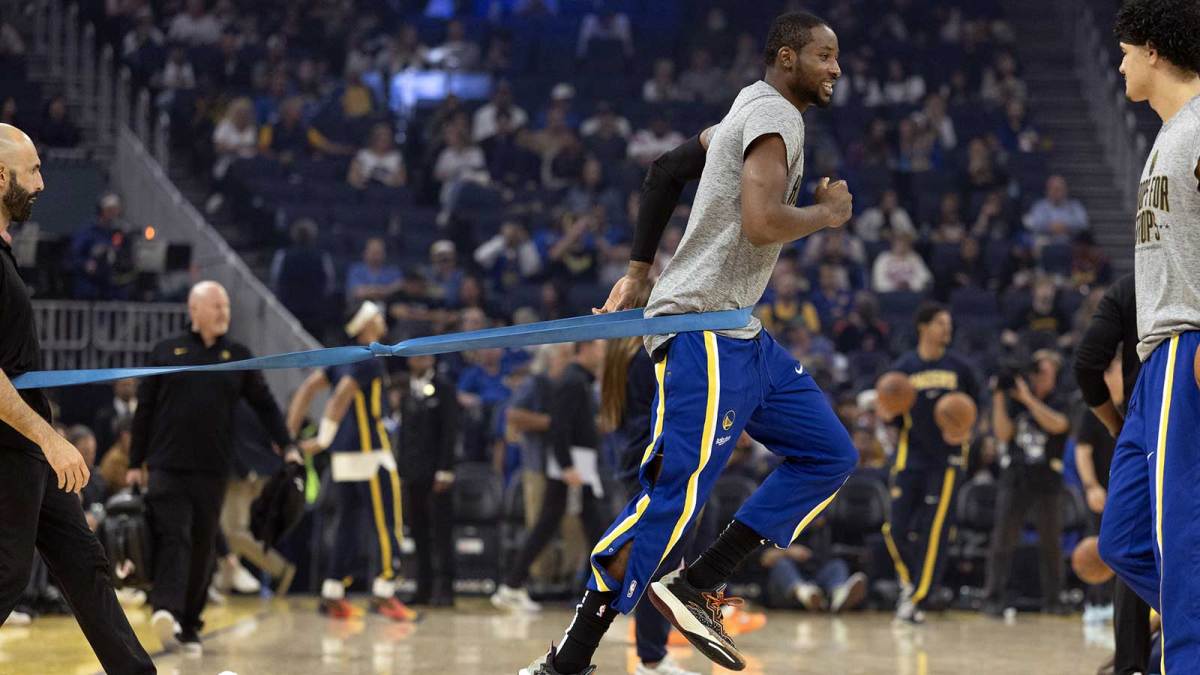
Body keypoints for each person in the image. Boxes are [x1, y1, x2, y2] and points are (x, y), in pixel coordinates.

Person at [519, 13, 856, 674]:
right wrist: (827, 214)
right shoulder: (777, 119)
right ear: (787, 58)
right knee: (668, 502)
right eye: (825, 56)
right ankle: (565, 663)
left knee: (829, 453)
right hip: (702, 329)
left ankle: (699, 583)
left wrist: (639, 271)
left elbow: (665, 170)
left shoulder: (742, 110)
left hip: (740, 331)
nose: (836, 68)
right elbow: (762, 223)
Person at [0, 124, 155, 673]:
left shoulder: (5, 251)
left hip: (30, 449)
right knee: (7, 577)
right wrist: (51, 439)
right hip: (10, 449)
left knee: (86, 565)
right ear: (1, 177)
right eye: (33, 170)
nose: (42, 182)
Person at [1099, 4, 1200, 668]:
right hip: (1154, 359)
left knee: (1179, 539)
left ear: (1155, 52)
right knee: (1125, 538)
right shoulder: (1170, 133)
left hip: (1186, 342)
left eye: (1127, 51)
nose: (1120, 63)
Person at [127, 280, 301, 655]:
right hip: (166, 466)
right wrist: (134, 461)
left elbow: (266, 405)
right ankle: (165, 610)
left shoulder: (238, 356)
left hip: (213, 470)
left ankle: (189, 624)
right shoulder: (166, 352)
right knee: (176, 538)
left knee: (205, 546)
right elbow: (145, 410)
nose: (225, 312)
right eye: (216, 306)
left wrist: (287, 444)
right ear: (195, 311)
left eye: (226, 306)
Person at [288, 301, 416, 622]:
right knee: (388, 525)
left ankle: (333, 592)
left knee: (348, 525)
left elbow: (307, 389)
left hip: (344, 457)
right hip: (371, 454)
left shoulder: (341, 357)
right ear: (366, 324)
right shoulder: (371, 357)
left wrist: (289, 437)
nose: (383, 318)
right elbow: (341, 395)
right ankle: (385, 591)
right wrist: (322, 439)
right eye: (377, 315)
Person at [594, 337, 702, 675]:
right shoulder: (645, 360)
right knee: (659, 562)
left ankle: (652, 654)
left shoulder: (621, 359)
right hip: (654, 462)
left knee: (655, 559)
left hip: (636, 460)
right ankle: (652, 658)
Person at [491, 341, 611, 614]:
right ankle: (605, 593)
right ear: (585, 350)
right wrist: (567, 465)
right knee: (582, 524)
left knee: (584, 523)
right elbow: (559, 427)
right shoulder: (571, 381)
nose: (602, 353)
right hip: (572, 463)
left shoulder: (582, 381)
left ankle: (512, 584)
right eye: (599, 348)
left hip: (580, 461)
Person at [879, 303, 979, 624]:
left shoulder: (960, 369)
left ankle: (917, 599)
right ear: (923, 327)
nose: (946, 329)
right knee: (893, 528)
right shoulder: (904, 368)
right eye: (940, 323)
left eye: (949, 324)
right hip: (911, 456)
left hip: (947, 459)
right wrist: (886, 413)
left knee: (934, 531)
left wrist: (965, 427)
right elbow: (892, 417)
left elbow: (980, 408)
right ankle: (912, 583)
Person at [1073, 273, 1150, 675]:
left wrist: (1117, 426)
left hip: (1145, 426)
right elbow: (1081, 447)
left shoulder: (1129, 286)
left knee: (1126, 547)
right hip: (1147, 432)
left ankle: (1132, 664)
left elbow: (1085, 364)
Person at [983, 349, 1071, 617]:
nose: (1037, 376)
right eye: (1035, 371)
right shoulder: (1013, 401)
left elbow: (1059, 425)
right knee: (1002, 540)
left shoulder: (1061, 400)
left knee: (1051, 543)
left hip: (1047, 479)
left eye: (1043, 371)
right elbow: (1003, 433)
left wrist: (1028, 399)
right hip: (1016, 477)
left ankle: (1054, 600)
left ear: (1055, 374)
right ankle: (993, 599)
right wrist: (999, 397)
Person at [395, 354, 459, 607]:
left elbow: (450, 430)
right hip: (413, 473)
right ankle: (423, 587)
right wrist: (401, 471)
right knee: (418, 531)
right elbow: (404, 435)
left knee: (441, 532)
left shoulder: (444, 387)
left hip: (437, 472)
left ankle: (446, 588)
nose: (422, 359)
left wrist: (446, 469)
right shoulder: (406, 390)